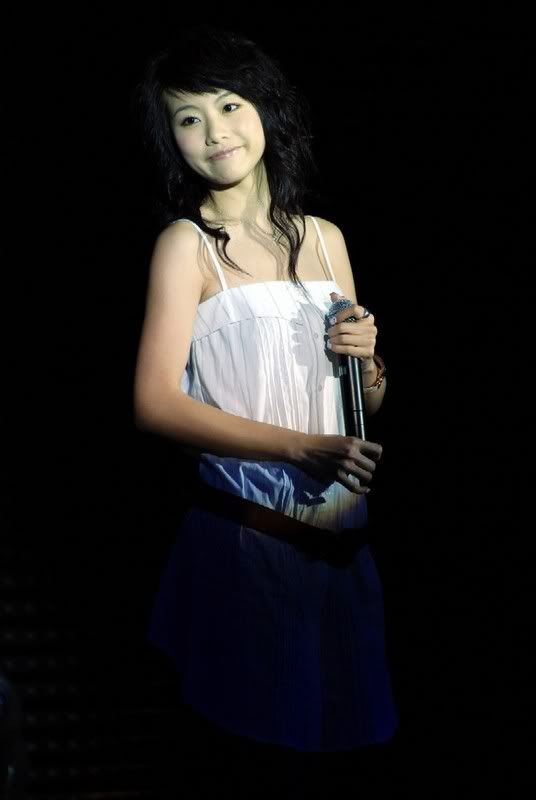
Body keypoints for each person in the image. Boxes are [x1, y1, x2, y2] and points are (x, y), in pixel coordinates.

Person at [131, 24, 398, 798]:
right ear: (172, 139)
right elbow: (153, 404)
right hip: (247, 547)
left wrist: (369, 360)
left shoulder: (325, 239)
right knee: (253, 763)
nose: (214, 131)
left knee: (345, 763)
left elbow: (365, 403)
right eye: (188, 118)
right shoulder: (186, 246)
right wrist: (296, 448)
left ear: (263, 109)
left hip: (342, 555)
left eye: (228, 105)